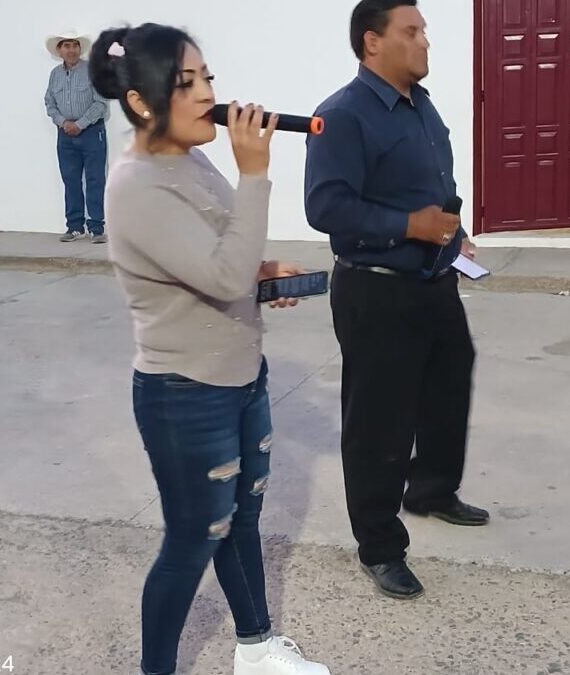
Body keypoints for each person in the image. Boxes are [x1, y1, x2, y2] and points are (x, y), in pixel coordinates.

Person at [89, 23, 330, 675]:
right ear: (141, 102)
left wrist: (265, 270)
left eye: (207, 78)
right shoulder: (136, 183)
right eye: (186, 83)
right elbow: (223, 276)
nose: (207, 95)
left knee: (241, 520)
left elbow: (221, 258)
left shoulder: (189, 160)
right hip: (185, 393)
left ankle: (255, 647)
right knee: (193, 541)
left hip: (241, 376)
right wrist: (255, 174)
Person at [304, 0, 488, 601]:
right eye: (411, 31)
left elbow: (433, 184)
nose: (425, 41)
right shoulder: (342, 115)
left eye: (424, 30)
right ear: (372, 42)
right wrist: (412, 226)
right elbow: (325, 207)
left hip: (435, 280)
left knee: (448, 384)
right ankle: (380, 546)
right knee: (379, 422)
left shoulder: (421, 105)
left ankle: (431, 490)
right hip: (376, 287)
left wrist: (453, 231)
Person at [45, 29, 111, 244]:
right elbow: (49, 103)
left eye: (74, 45)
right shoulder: (55, 74)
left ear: (80, 49)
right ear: (59, 50)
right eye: (66, 45)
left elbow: (101, 102)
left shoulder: (93, 70)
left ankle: (96, 228)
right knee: (71, 180)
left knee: (95, 179)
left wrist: (80, 124)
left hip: (92, 132)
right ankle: (74, 227)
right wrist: (64, 123)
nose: (71, 50)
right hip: (65, 134)